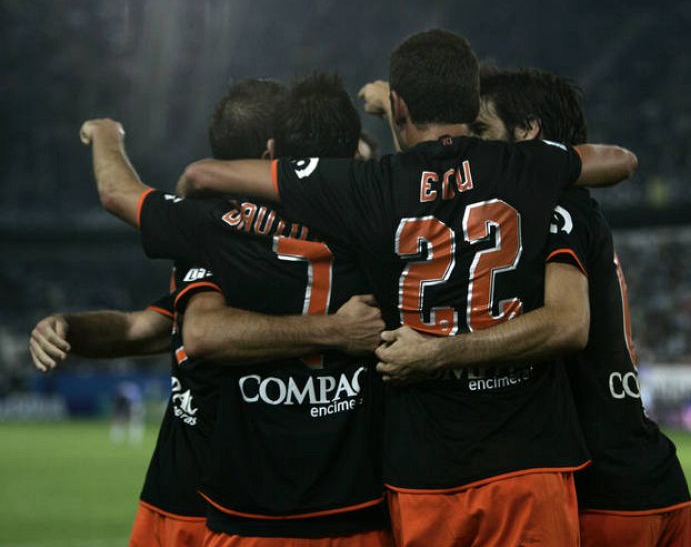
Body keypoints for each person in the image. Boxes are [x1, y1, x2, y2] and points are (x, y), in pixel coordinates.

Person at [178, 29, 637, 546]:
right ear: (471, 99)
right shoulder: (527, 165)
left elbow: (205, 174)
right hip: (529, 461)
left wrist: (191, 202)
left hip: (425, 471)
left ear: (399, 108)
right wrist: (553, 163)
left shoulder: (370, 184)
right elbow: (620, 160)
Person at [378, 65, 691, 547]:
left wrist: (435, 353)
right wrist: (401, 113)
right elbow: (433, 175)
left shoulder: (551, 210)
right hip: (649, 475)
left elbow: (567, 324)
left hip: (602, 493)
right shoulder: (579, 206)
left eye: (482, 131)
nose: (474, 149)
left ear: (528, 133)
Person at [80, 73, 392, 546]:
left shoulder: (215, 223)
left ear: (270, 153)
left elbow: (118, 193)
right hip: (354, 509)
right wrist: (392, 107)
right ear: (352, 157)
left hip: (247, 510)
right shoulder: (384, 224)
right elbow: (426, 173)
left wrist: (106, 133)